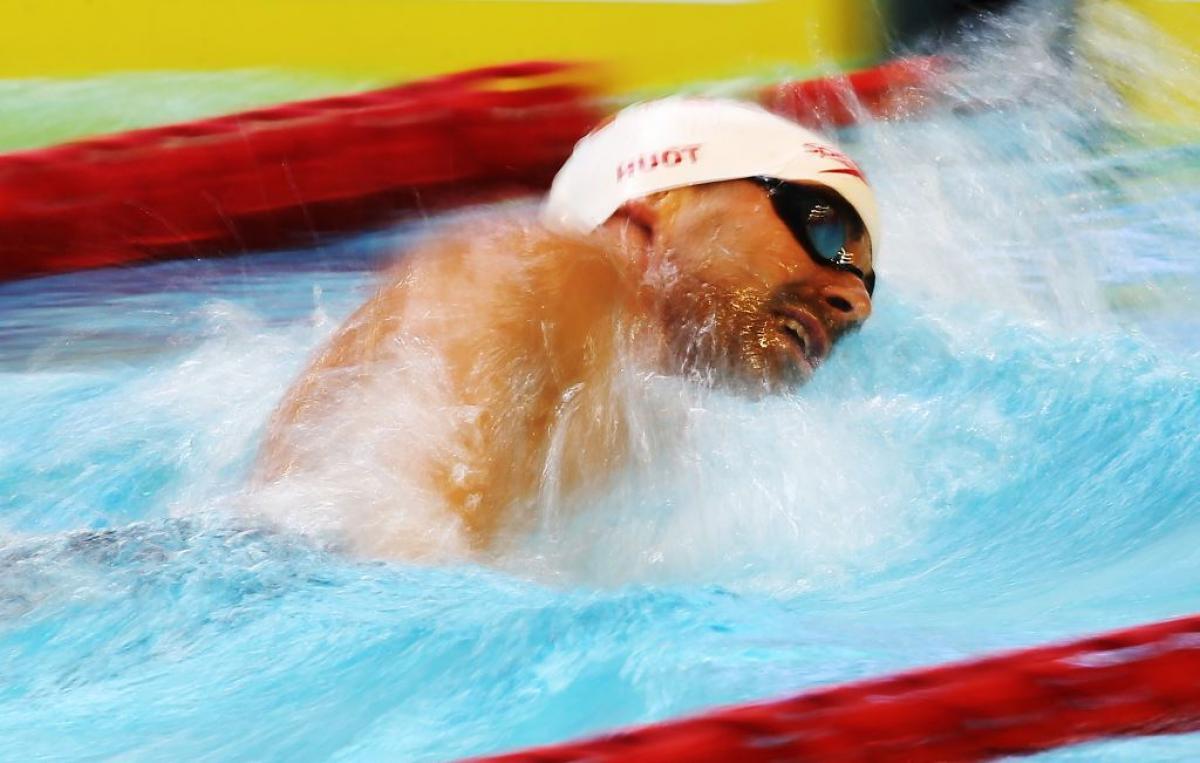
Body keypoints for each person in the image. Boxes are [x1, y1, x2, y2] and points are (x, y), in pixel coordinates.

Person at [255, 98, 879, 556]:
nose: (856, 301)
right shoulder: (559, 272)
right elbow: (414, 571)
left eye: (866, 281)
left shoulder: (642, 407)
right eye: (825, 230)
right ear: (661, 198)